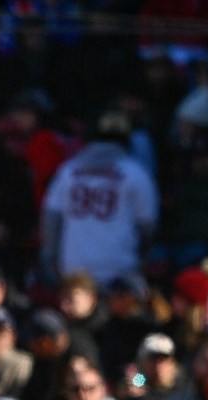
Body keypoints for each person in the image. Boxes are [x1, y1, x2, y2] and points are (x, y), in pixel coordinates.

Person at [39, 111, 159, 288]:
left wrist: (51, 258)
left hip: (75, 271)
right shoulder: (136, 173)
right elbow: (147, 228)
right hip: (120, 270)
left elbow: (51, 221)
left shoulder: (68, 171)